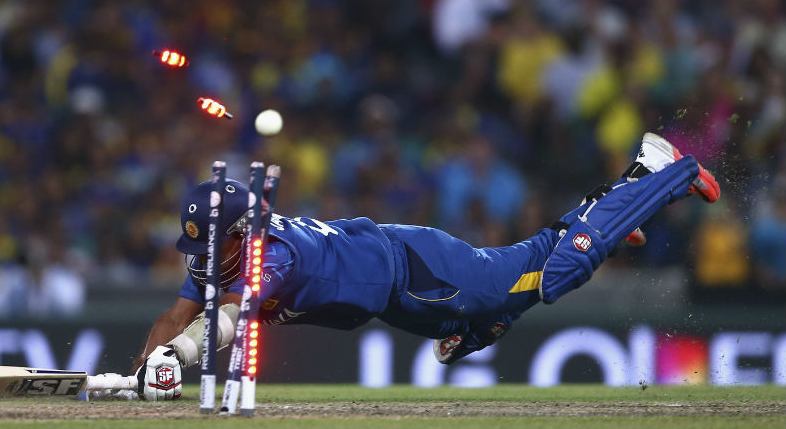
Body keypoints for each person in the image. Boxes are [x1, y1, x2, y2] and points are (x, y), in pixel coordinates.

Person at [131, 133, 719, 400]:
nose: (203, 261)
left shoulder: (270, 255)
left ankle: (663, 174)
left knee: (552, 272)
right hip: (398, 292)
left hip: (416, 269)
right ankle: (624, 195)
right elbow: (176, 313)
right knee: (504, 299)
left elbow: (226, 320)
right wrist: (142, 370)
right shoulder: (221, 256)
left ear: (240, 233)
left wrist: (176, 357)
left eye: (212, 245)